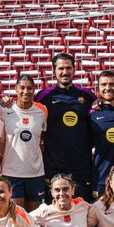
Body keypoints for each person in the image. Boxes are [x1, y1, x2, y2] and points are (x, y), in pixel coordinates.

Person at [35, 53, 95, 199]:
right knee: (55, 208)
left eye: (68, 68)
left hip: (81, 165)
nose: (65, 72)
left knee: (81, 207)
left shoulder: (87, 95)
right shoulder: (43, 96)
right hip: (53, 165)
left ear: (74, 69)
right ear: (54, 71)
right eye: (61, 68)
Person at [0, 74, 47, 209]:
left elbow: (42, 136)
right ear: (16, 89)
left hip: (35, 172)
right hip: (12, 172)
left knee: (33, 217)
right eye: (22, 88)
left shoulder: (42, 111)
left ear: (34, 90)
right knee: (16, 215)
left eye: (30, 88)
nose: (26, 91)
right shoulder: (3, 110)